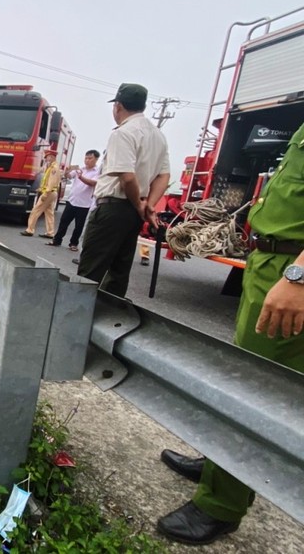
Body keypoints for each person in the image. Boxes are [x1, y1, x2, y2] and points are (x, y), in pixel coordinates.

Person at [156, 121, 304, 546]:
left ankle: (220, 505)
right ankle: (222, 463)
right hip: (272, 263)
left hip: (292, 270)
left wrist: (298, 274)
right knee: (244, 377)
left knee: (256, 391)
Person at [76, 83, 170, 298]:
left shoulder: (124, 133)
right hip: (133, 212)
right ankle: (110, 319)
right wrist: (148, 205)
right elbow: (164, 176)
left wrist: (140, 205)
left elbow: (127, 177)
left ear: (118, 106)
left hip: (113, 208)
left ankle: (77, 316)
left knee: (90, 270)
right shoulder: (158, 135)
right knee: (119, 271)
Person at [46, 149, 101, 250]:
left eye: (90, 158)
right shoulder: (80, 169)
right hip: (72, 201)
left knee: (78, 226)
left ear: (96, 159)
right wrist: (67, 170)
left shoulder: (97, 172)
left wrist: (81, 177)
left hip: (84, 204)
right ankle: (57, 240)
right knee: (64, 222)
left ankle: (73, 244)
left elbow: (93, 183)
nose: (87, 160)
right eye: (86, 158)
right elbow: (68, 176)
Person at [20, 150, 61, 238]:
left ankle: (30, 230)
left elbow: (51, 182)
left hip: (49, 193)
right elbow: (46, 180)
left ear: (52, 156)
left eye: (47, 157)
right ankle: (50, 232)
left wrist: (45, 193)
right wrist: (41, 188)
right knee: (49, 213)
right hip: (51, 192)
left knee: (35, 211)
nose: (46, 159)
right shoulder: (51, 167)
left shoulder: (54, 168)